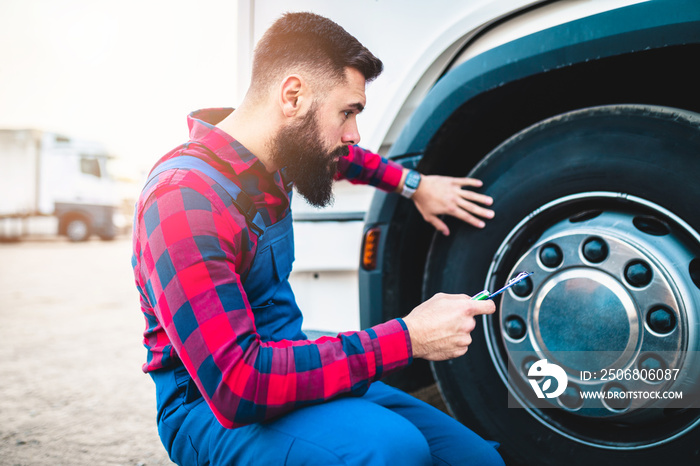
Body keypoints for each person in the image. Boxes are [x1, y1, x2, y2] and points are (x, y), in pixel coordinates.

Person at [132, 11, 502, 466]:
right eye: (347, 112)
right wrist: (406, 338)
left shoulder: (282, 151)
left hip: (286, 363)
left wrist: (415, 185)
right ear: (293, 96)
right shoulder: (183, 202)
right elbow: (237, 385)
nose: (354, 134)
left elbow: (347, 159)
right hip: (211, 407)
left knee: (475, 459)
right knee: (392, 450)